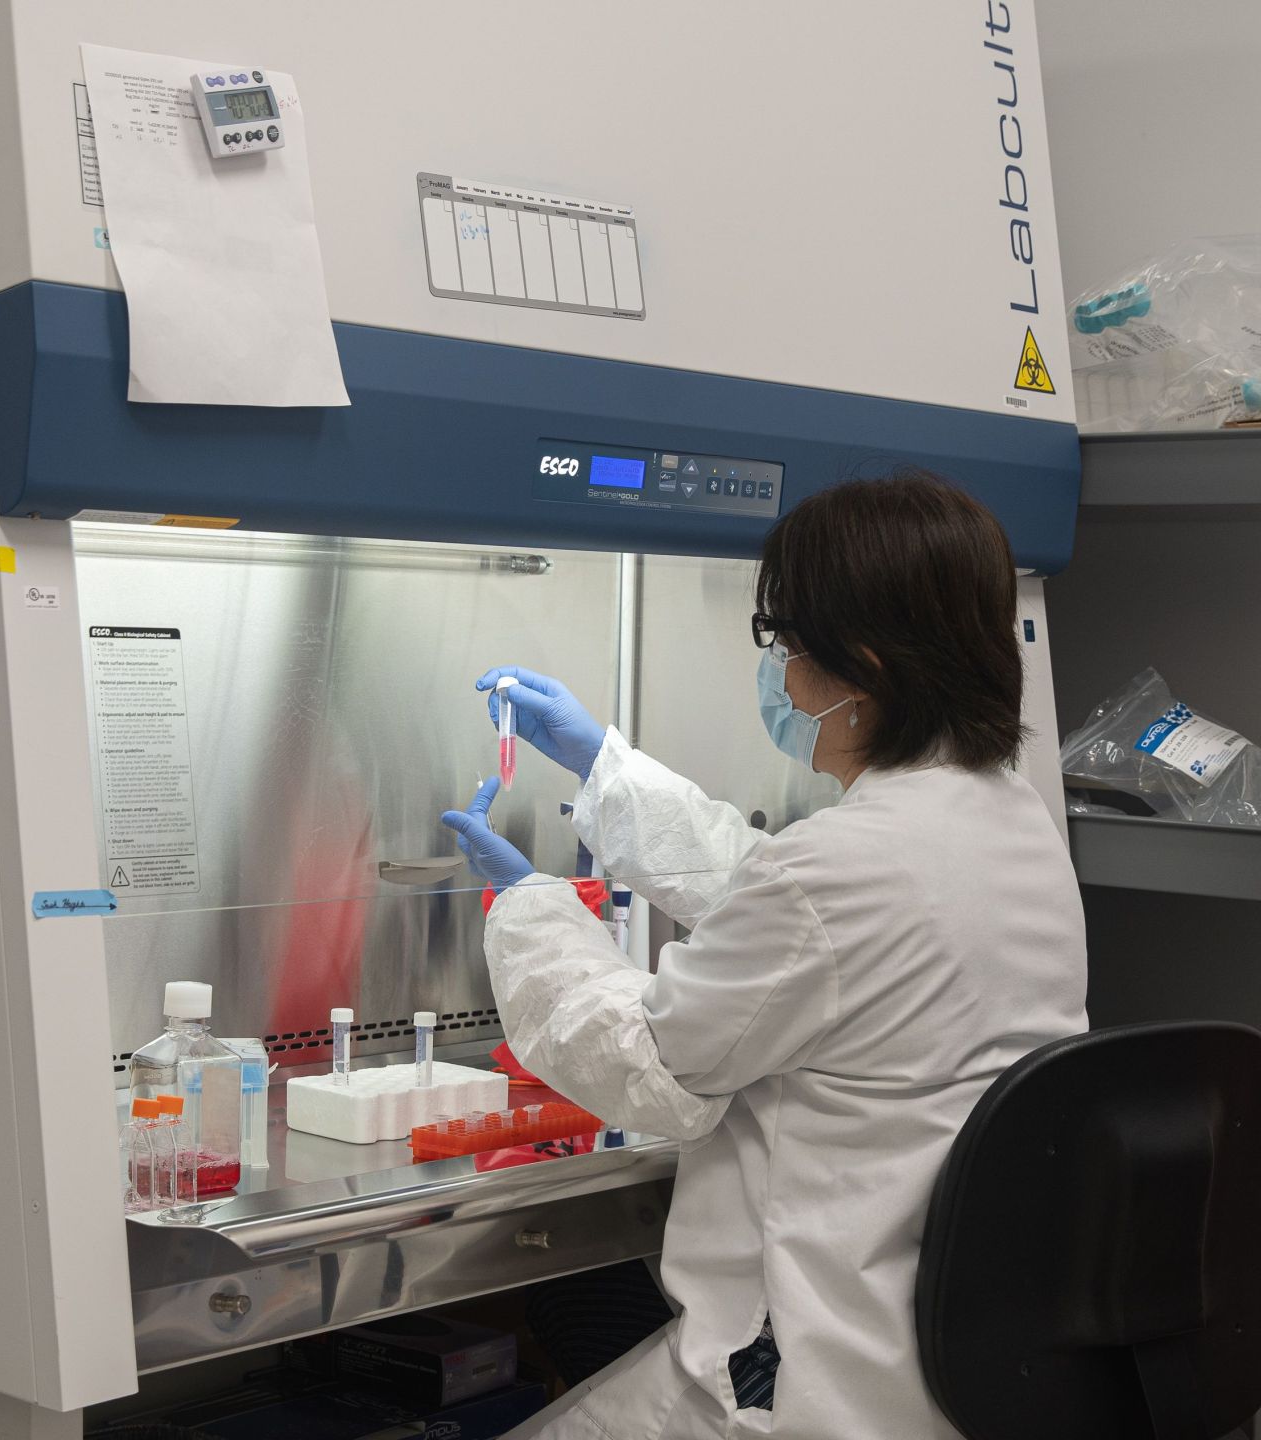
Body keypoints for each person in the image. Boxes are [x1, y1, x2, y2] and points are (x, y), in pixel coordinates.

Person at [439, 468, 1088, 1440]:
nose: (779, 672)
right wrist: (603, 767)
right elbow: (786, 906)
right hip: (960, 1361)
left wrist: (527, 908)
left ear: (859, 667)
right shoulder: (1007, 819)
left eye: (785, 643)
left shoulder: (843, 867)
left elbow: (649, 1067)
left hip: (803, 1380)